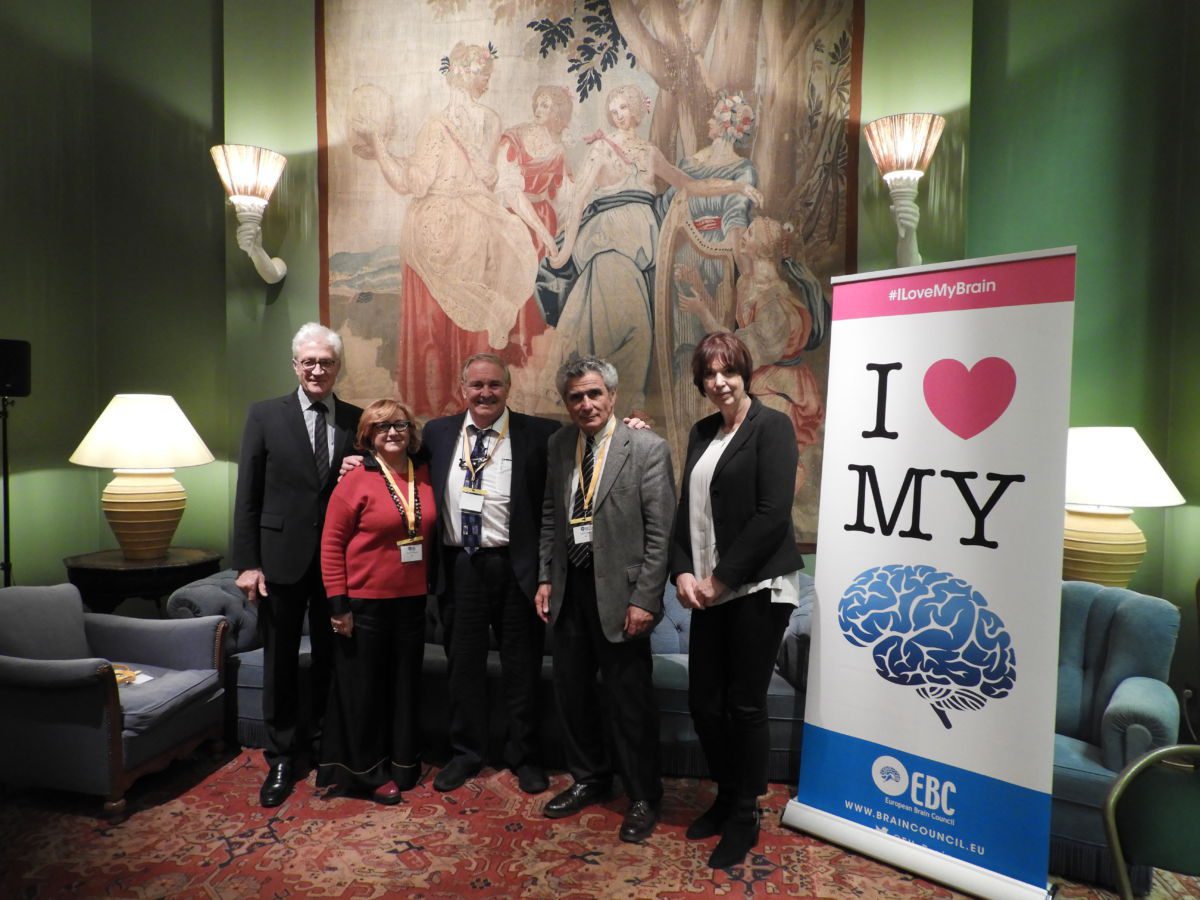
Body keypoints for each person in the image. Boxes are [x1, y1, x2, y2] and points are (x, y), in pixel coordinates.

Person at [670, 331, 805, 868]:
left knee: (744, 704)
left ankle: (745, 814)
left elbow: (773, 515)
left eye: (728, 370)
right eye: (709, 373)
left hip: (758, 588)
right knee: (705, 703)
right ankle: (725, 796)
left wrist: (721, 580)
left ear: (745, 373)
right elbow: (687, 509)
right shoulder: (702, 431)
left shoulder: (773, 427)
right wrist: (683, 570)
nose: (719, 381)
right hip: (709, 591)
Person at [544, 84, 761, 416]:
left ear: (636, 110)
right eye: (613, 110)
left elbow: (690, 185)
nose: (618, 115)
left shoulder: (649, 152)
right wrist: (564, 252)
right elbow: (577, 202)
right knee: (629, 329)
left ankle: (620, 409)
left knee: (636, 332)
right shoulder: (601, 148)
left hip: (639, 251)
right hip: (610, 244)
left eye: (623, 108)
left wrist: (737, 186)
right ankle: (613, 408)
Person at [355, 42, 540, 419]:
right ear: (467, 73)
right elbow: (485, 176)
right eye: (484, 73)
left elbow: (414, 183)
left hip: (434, 227)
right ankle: (473, 404)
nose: (487, 81)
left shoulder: (435, 124)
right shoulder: (491, 119)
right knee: (476, 316)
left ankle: (434, 403)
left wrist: (379, 147)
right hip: (477, 225)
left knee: (433, 322)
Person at [535, 356, 675, 843]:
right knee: (572, 693)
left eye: (595, 393)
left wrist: (646, 599)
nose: (586, 404)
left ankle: (643, 795)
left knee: (629, 702)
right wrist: (544, 577)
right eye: (576, 396)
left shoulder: (647, 447)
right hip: (569, 590)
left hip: (623, 595)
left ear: (612, 396)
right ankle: (590, 778)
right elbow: (551, 514)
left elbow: (660, 532)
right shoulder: (559, 445)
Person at [232, 322, 364, 808]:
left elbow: (374, 485)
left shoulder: (356, 420)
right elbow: (247, 493)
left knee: (334, 657)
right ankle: (283, 756)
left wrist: (362, 468)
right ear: (295, 365)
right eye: (309, 362)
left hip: (337, 563)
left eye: (326, 362)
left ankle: (329, 748)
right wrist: (248, 563)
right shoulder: (265, 415)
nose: (317, 370)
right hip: (280, 562)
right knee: (280, 661)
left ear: (338, 367)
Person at [422, 354, 559, 794]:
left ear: (508, 388)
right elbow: (392, 460)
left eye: (494, 385)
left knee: (522, 667)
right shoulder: (437, 433)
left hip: (515, 566)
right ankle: (466, 754)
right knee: (463, 667)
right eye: (477, 385)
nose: (485, 393)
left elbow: (586, 446)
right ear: (463, 388)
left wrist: (634, 423)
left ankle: (525, 756)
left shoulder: (540, 434)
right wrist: (355, 461)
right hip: (459, 565)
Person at [316, 399, 436, 805]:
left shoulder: (423, 473)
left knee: (404, 687)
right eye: (381, 426)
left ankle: (402, 763)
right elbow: (331, 545)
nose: (392, 432)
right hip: (363, 604)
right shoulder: (354, 479)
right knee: (363, 692)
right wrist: (338, 606)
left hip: (411, 603)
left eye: (400, 424)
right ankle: (365, 773)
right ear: (368, 435)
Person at [676, 216, 826, 488]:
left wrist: (701, 312)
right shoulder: (746, 283)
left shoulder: (774, 302)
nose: (743, 235)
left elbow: (739, 351)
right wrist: (697, 285)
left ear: (764, 248)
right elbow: (731, 337)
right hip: (759, 374)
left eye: (751, 233)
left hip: (782, 385)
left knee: (767, 455)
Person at [653, 90, 759, 473]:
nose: (710, 122)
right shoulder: (690, 164)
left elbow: (736, 222)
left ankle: (715, 446)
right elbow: (669, 206)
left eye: (716, 117)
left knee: (715, 350)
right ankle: (683, 439)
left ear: (728, 126)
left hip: (717, 262)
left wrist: (742, 266)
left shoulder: (742, 169)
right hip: (683, 257)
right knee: (684, 351)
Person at [497, 85, 574, 365]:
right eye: (539, 104)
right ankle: (511, 348)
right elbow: (511, 192)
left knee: (538, 279)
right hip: (515, 218)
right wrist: (544, 234)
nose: (541, 110)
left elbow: (564, 195)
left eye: (548, 106)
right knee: (511, 277)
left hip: (544, 218)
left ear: (559, 113)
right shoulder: (515, 138)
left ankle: (533, 347)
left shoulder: (558, 149)